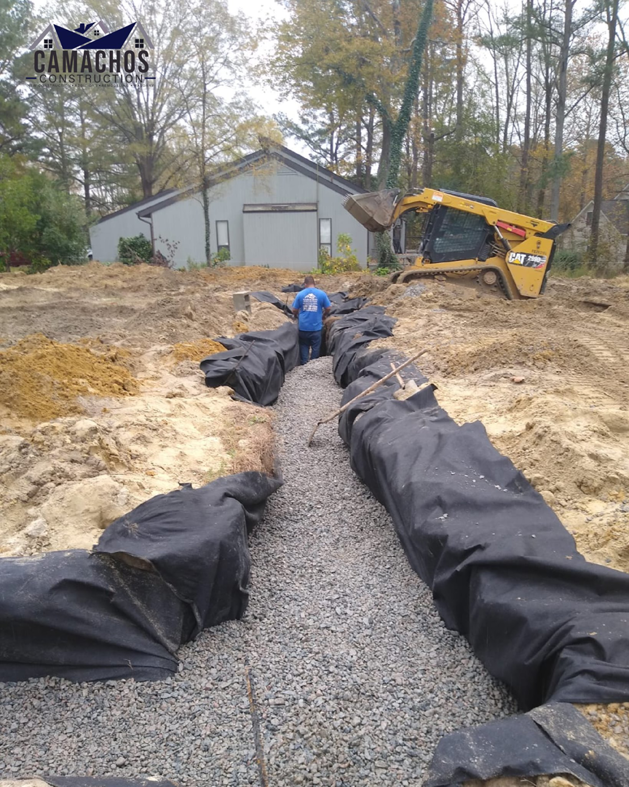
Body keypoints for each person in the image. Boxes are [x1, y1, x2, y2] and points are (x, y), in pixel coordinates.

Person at [291, 275, 332, 365]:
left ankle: (304, 364)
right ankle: (313, 365)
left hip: (303, 327)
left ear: (305, 284)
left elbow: (294, 309)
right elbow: (328, 307)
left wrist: (296, 315)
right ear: (314, 283)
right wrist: (324, 315)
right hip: (316, 327)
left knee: (304, 345)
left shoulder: (300, 294)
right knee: (315, 347)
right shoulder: (321, 294)